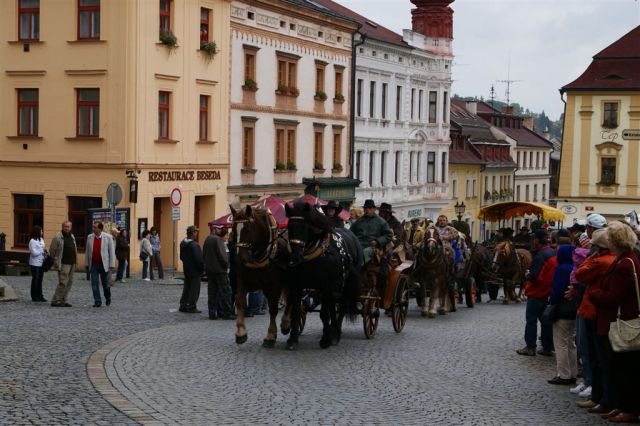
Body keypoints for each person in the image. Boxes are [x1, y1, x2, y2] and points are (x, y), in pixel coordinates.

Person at [589, 221, 640, 422]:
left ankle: (629, 408)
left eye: (610, 238)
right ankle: (622, 405)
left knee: (625, 368)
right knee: (618, 367)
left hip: (621, 322)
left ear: (616, 241)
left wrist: (594, 294)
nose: (607, 241)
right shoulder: (626, 259)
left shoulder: (625, 264)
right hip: (617, 320)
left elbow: (613, 297)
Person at [573, 229, 616, 412]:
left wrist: (592, 256)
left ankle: (600, 395)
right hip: (594, 310)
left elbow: (580, 274)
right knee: (596, 356)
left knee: (596, 356)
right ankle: (597, 395)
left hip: (594, 310)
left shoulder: (601, 260)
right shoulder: (609, 259)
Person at [517, 229, 556, 356]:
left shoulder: (540, 255)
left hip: (537, 292)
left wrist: (527, 274)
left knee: (531, 320)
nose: (533, 241)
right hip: (548, 291)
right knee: (545, 321)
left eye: (534, 238)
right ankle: (547, 346)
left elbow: (533, 276)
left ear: (537, 240)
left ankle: (530, 347)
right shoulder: (552, 252)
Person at [547, 243, 578, 385]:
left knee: (560, 344)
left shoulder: (561, 269)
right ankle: (573, 373)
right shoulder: (575, 267)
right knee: (571, 343)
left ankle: (564, 374)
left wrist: (551, 301)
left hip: (562, 309)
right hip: (573, 310)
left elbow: (557, 290)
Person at [203, 225, 233, 320]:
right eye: (219, 229)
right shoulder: (218, 240)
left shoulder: (207, 239)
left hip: (210, 270)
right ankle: (227, 313)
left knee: (212, 292)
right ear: (214, 229)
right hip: (220, 271)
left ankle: (212, 313)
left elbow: (204, 255)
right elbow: (223, 257)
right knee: (225, 292)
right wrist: (226, 266)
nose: (220, 230)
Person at [349, 199, 392, 264]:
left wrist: (378, 241)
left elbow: (389, 235)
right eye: (365, 208)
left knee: (364, 253)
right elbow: (350, 232)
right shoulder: (359, 221)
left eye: (369, 208)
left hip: (372, 247)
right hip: (358, 244)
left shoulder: (381, 221)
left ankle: (358, 269)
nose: (367, 210)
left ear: (374, 209)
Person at [85, 222, 116, 307]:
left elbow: (111, 252)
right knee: (94, 284)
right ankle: (97, 301)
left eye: (95, 227)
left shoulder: (108, 237)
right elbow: (87, 251)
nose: (93, 229)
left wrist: (112, 264)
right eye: (93, 227)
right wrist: (87, 263)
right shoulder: (90, 237)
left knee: (105, 284)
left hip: (104, 264)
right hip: (94, 264)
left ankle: (107, 297)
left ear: (100, 229)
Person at [49, 221, 77, 307]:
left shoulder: (72, 236)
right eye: (65, 226)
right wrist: (56, 261)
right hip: (63, 263)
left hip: (72, 262)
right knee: (63, 282)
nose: (66, 228)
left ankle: (63, 299)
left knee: (69, 282)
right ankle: (56, 300)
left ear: (71, 227)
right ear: (62, 227)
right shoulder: (58, 237)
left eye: (68, 227)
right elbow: (52, 250)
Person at [179, 225, 204, 313]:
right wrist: (202, 269)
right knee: (194, 289)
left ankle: (183, 305)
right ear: (193, 233)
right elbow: (199, 260)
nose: (197, 233)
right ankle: (192, 306)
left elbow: (181, 257)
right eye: (196, 231)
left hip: (186, 269)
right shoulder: (194, 245)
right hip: (195, 271)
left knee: (187, 288)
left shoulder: (182, 243)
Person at [28, 225, 46, 302]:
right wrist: (42, 250)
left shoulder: (41, 240)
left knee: (40, 280)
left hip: (41, 262)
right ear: (37, 232)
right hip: (34, 263)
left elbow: (44, 248)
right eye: (41, 231)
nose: (42, 232)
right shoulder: (32, 241)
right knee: (35, 279)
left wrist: (44, 251)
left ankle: (40, 295)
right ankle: (34, 296)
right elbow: (34, 253)